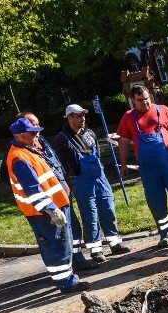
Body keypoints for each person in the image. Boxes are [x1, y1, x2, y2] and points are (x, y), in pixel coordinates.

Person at [0, 112, 95, 272]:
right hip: (46, 204)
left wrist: (66, 184)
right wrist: (40, 201)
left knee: (73, 230)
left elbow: (56, 163)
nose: (38, 130)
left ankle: (77, 259)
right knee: (57, 238)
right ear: (22, 132)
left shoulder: (40, 141)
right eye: (33, 127)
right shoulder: (17, 153)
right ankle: (66, 272)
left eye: (37, 125)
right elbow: (10, 177)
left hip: (61, 196)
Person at [116, 85, 168, 247]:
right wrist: (123, 164)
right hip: (148, 167)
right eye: (140, 100)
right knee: (155, 200)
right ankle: (165, 235)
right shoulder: (128, 117)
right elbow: (123, 142)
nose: (145, 102)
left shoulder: (163, 110)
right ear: (133, 100)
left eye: (147, 98)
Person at [52, 104, 130, 261]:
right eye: (79, 116)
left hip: (100, 179)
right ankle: (95, 249)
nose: (83, 118)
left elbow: (98, 155)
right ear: (69, 118)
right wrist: (68, 184)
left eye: (83, 115)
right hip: (81, 182)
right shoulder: (61, 139)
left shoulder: (90, 133)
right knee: (90, 215)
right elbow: (60, 166)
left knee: (108, 210)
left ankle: (114, 243)